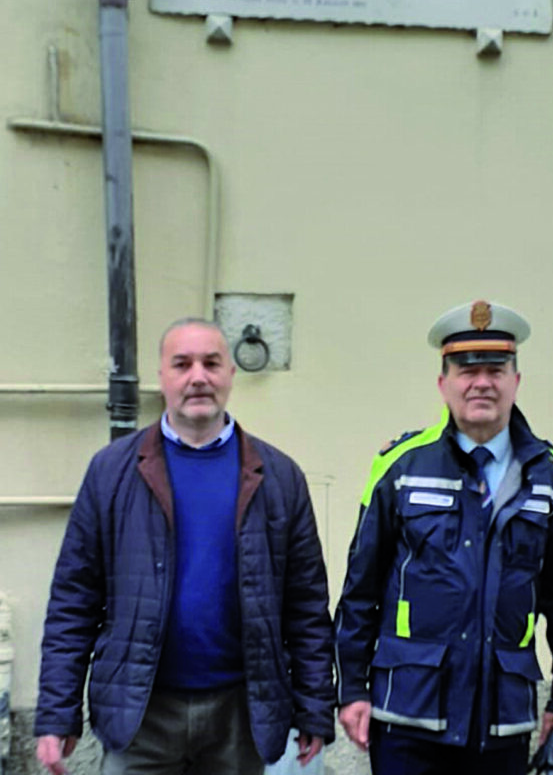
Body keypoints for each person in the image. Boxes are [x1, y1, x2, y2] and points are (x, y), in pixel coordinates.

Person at [35, 318, 335, 775]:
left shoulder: (280, 477)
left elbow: (306, 606)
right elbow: (73, 602)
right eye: (182, 364)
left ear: (230, 373)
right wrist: (58, 714)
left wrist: (314, 707)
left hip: (240, 715)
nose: (198, 377)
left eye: (211, 363)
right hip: (140, 714)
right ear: (162, 376)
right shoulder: (111, 471)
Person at [335, 299, 553, 775]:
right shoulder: (399, 468)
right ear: (443, 383)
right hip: (408, 713)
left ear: (516, 381)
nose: (482, 383)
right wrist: (350, 688)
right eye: (466, 370)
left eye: (496, 370)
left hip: (501, 718)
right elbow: (360, 590)